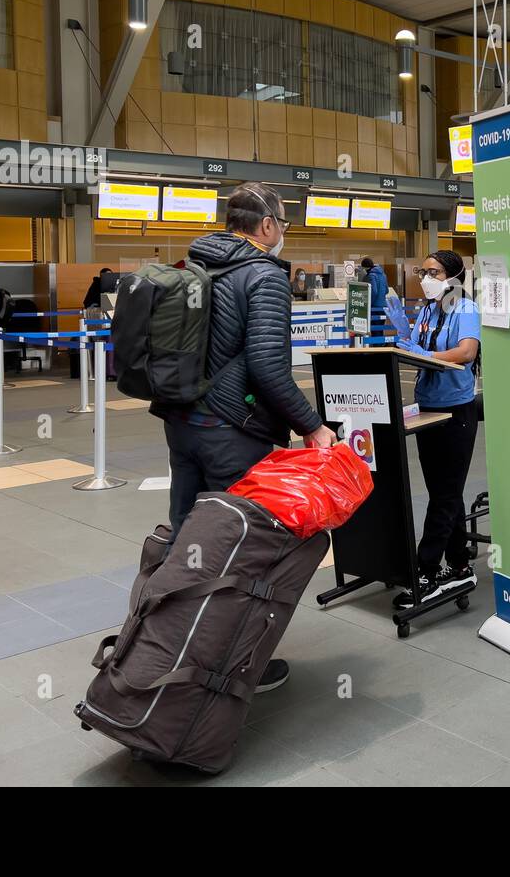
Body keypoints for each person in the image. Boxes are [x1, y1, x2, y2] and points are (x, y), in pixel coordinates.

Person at [151, 182, 336, 693]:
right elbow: (267, 368)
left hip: (183, 423)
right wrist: (313, 426)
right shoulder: (264, 275)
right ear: (269, 226)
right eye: (283, 225)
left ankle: (156, 659)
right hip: (231, 431)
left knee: (186, 541)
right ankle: (222, 672)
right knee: (236, 554)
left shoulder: (195, 265)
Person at [382, 250, 480, 609]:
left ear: (453, 276)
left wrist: (424, 356)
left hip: (455, 409)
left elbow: (466, 352)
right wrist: (406, 337)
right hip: (427, 406)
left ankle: (425, 569)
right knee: (443, 490)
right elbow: (418, 347)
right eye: (423, 271)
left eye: (433, 271)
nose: (425, 276)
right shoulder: (427, 310)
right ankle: (459, 565)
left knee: (445, 493)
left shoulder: (464, 309)